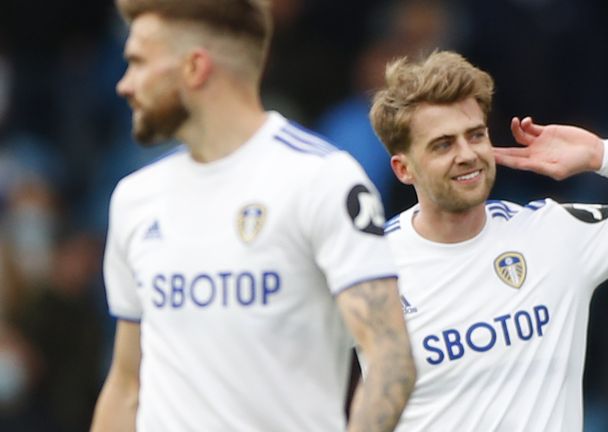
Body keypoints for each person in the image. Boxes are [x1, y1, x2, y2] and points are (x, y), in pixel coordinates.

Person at [368, 51, 608, 431]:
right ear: (404, 168)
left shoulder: (554, 233)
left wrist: (603, 155)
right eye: (443, 144)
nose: (467, 154)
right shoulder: (367, 267)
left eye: (476, 135)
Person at [90, 1, 416, 431]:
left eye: (137, 62)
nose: (125, 85)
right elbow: (127, 384)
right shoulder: (134, 198)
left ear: (194, 67)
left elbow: (391, 358)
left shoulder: (320, 178)